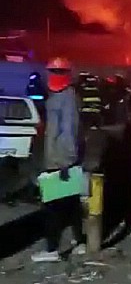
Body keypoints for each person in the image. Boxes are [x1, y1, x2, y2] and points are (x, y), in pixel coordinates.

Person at [31, 57, 86, 262]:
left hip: (60, 161)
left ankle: (52, 249)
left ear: (66, 74)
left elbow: (69, 132)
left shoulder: (67, 97)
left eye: (59, 72)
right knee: (71, 203)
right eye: (53, 71)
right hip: (58, 159)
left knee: (52, 207)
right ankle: (79, 241)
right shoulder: (57, 96)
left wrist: (65, 162)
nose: (54, 75)